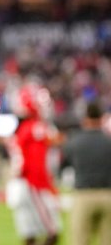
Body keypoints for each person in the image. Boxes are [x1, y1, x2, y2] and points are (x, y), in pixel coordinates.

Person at [6, 84, 62, 245]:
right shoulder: (33, 128)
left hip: (24, 180)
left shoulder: (25, 129)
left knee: (29, 228)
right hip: (31, 181)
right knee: (50, 228)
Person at [62, 101, 111, 245]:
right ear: (102, 118)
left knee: (80, 240)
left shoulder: (75, 141)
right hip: (108, 194)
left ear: (85, 118)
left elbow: (64, 166)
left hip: (83, 195)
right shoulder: (108, 142)